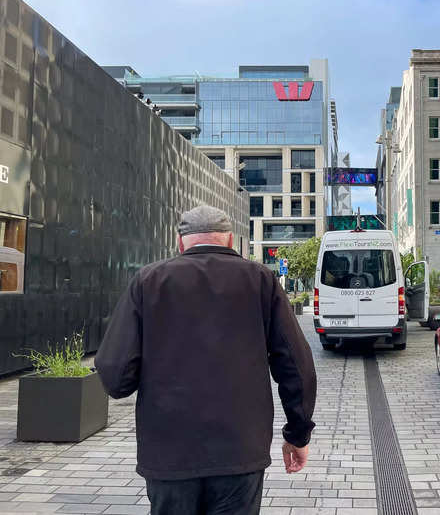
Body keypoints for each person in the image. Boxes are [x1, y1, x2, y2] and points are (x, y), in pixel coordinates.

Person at [95, 205, 317, 515]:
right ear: (230, 242)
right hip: (240, 448)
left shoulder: (148, 281)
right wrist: (298, 433)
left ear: (180, 241)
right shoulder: (261, 280)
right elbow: (296, 364)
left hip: (168, 451)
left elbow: (115, 370)